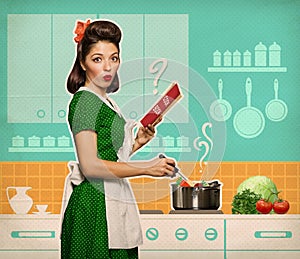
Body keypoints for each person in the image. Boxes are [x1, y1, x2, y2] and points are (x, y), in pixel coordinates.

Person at [60, 19, 176, 259]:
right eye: (97, 59)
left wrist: (137, 143)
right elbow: (91, 166)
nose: (107, 68)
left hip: (111, 200)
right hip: (94, 208)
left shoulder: (105, 102)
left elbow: (107, 156)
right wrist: (147, 167)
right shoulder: (84, 102)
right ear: (82, 63)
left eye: (114, 58)